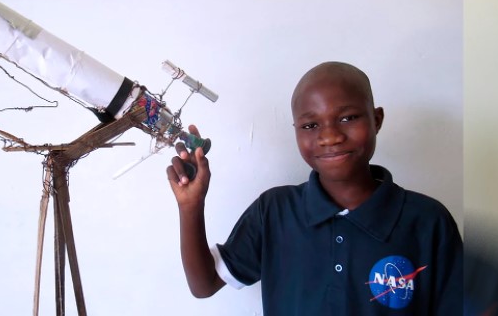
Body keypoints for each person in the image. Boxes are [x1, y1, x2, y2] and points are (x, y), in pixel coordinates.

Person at [166, 61, 463, 315]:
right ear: (295, 130)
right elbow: (203, 285)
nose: (330, 136)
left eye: (348, 118)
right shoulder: (273, 212)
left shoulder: (427, 221)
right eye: (310, 126)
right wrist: (191, 207)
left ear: (377, 119)